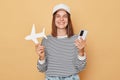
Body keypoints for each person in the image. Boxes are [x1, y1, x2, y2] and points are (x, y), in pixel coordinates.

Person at [35, 3, 87, 80]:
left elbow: (81, 67)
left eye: (65, 16)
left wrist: (81, 51)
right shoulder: (46, 40)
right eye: (58, 16)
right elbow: (41, 69)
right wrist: (41, 57)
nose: (61, 19)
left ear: (68, 19)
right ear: (54, 19)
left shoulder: (77, 40)